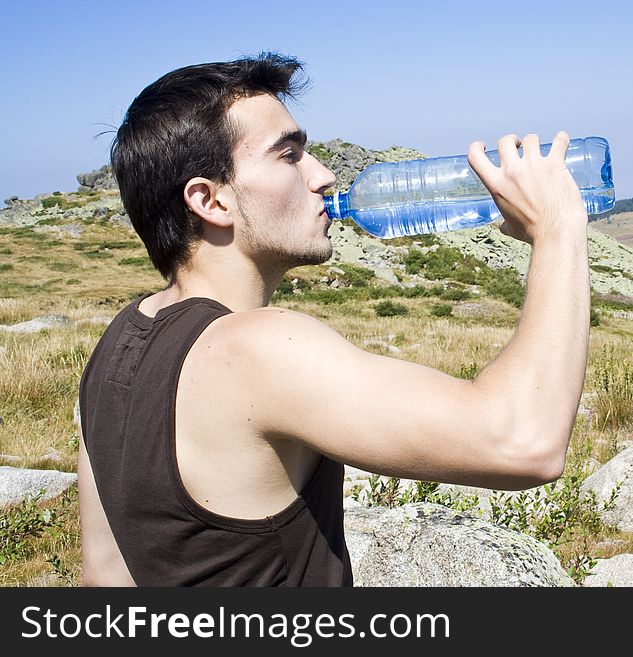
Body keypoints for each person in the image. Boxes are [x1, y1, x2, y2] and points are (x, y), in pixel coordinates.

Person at [76, 53, 592, 586]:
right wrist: (557, 228)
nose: (322, 175)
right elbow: (526, 441)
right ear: (210, 200)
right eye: (288, 155)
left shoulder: (119, 341)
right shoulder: (255, 349)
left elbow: (105, 573)